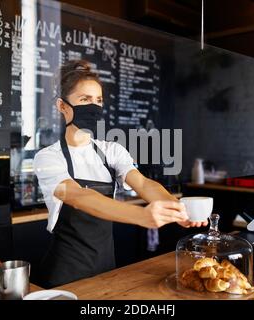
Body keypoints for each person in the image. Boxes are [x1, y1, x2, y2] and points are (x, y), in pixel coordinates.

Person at [33, 59, 207, 288]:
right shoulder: (48, 157)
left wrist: (177, 210)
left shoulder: (110, 151)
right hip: (66, 271)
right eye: (84, 99)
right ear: (62, 106)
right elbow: (77, 196)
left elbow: (143, 184)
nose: (93, 107)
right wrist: (142, 217)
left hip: (107, 267)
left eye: (98, 100)